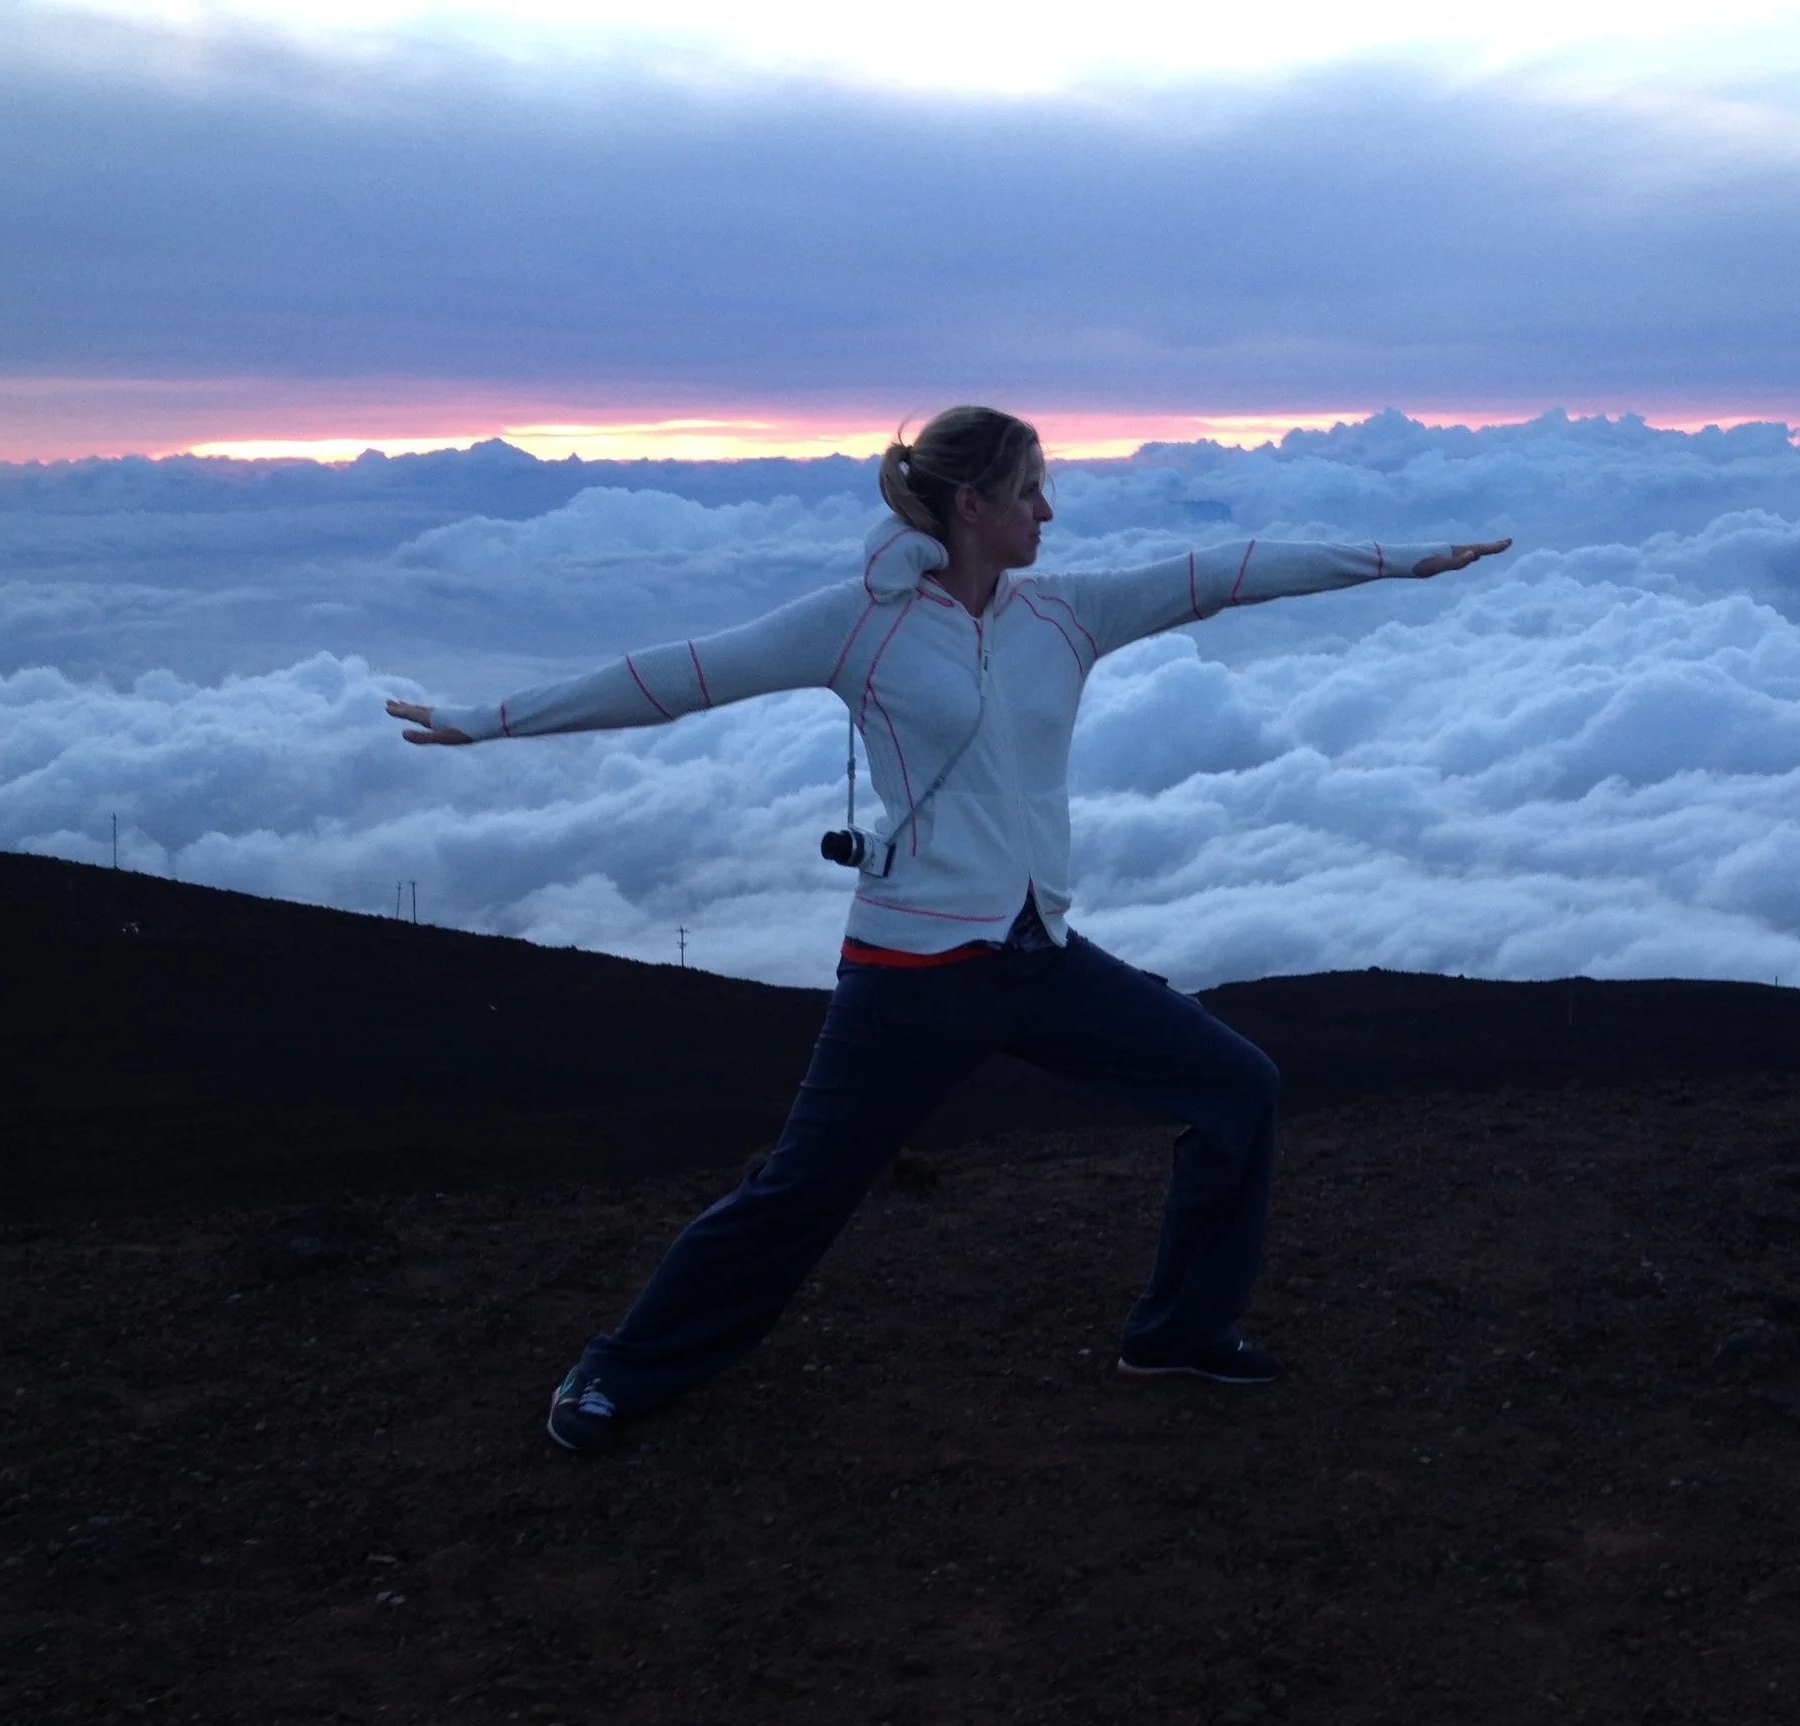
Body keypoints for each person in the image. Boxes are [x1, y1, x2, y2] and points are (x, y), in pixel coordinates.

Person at [387, 405, 1509, 1453]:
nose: (1048, 514)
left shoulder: (1065, 612)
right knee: (799, 1190)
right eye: (1029, 492)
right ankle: (618, 1371)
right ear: (969, 506)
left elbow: (1227, 575)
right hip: (910, 969)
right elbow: (680, 678)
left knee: (1235, 1086)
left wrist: (1401, 560)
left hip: (1040, 956)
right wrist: (484, 724)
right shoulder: (857, 626)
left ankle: (1177, 1332)